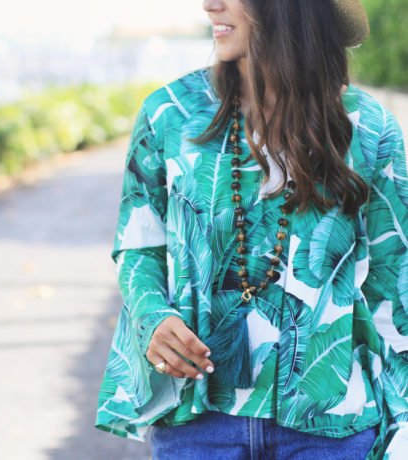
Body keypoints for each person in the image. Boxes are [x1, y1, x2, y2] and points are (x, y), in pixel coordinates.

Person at [95, 1, 408, 458]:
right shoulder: (169, 114)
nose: (210, 3)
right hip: (199, 424)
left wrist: (403, 419)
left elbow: (394, 281)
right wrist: (152, 317)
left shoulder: (367, 127)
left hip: (333, 426)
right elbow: (139, 245)